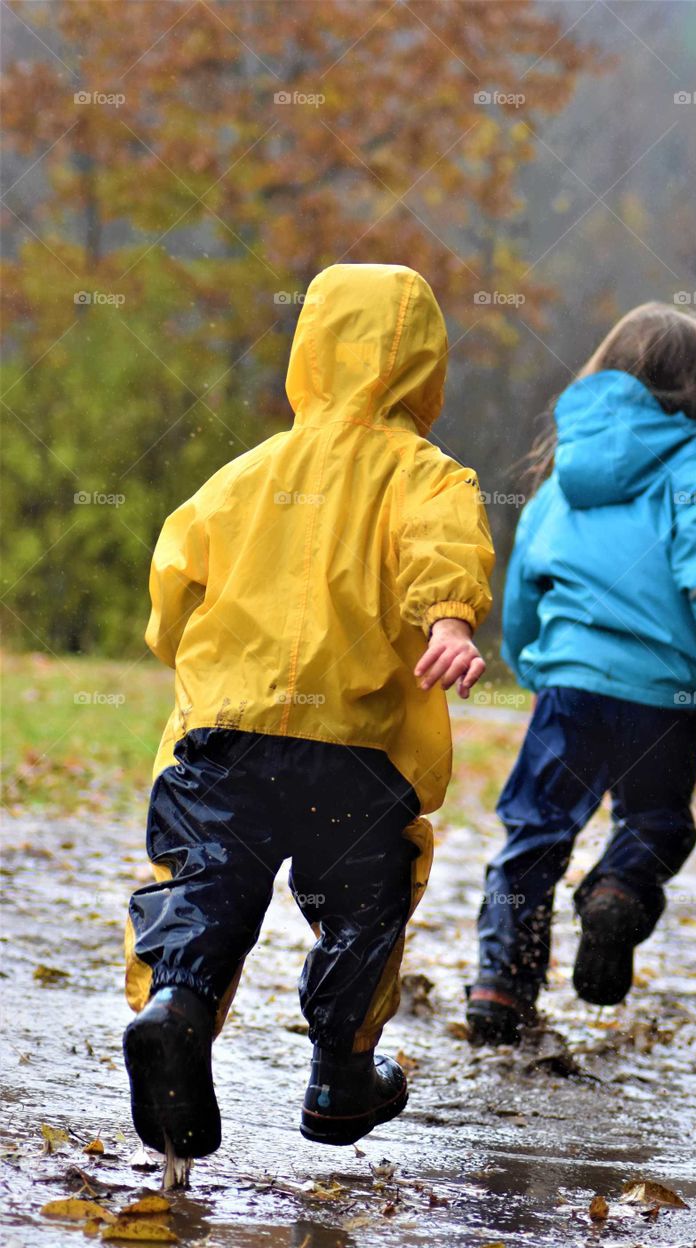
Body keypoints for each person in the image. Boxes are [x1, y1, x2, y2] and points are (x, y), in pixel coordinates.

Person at [123, 263, 494, 1158]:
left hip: (226, 739)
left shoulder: (245, 475)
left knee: (207, 881)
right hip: (356, 753)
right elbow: (437, 551)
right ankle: (338, 1076)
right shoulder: (427, 475)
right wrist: (447, 619)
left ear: (310, 353)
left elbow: (173, 590)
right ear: (423, 369)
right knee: (363, 907)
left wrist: (194, 656)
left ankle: (177, 1007)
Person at [467, 301, 696, 1045]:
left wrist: (528, 659)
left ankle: (502, 987)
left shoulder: (560, 482)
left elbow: (525, 584)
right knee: (655, 821)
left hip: (571, 684)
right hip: (666, 691)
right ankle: (616, 890)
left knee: (535, 830)